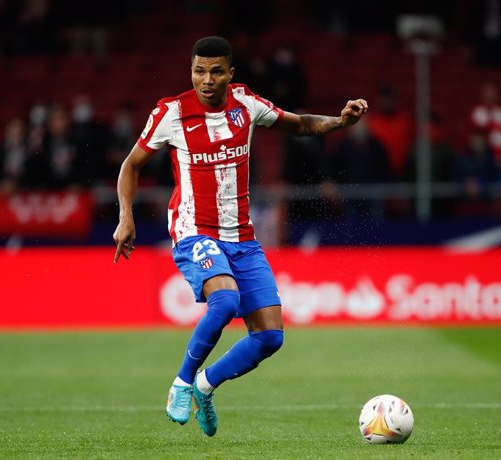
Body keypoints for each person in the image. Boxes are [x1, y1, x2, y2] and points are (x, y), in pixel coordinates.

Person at [112, 36, 368, 437]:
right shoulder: (171, 112)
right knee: (226, 300)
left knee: (270, 337)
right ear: (191, 72)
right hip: (194, 230)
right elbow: (131, 165)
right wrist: (126, 217)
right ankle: (181, 383)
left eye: (216, 71)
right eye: (199, 71)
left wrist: (339, 122)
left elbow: (298, 124)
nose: (206, 80)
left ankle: (205, 385)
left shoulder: (245, 104)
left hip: (242, 237)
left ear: (231, 74)